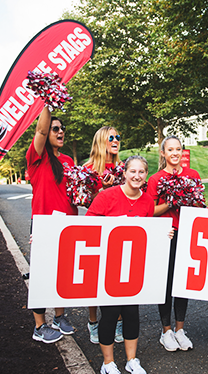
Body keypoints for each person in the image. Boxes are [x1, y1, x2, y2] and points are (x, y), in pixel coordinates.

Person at [86, 155, 160, 374]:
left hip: (132, 268)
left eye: (141, 172)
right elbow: (86, 226)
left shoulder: (147, 201)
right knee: (109, 314)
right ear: (125, 173)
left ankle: (131, 360)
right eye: (133, 171)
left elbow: (147, 234)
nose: (137, 176)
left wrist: (163, 234)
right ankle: (108, 363)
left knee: (131, 313)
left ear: (146, 175)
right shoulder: (106, 196)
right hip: (108, 266)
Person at [27, 105, 78, 343]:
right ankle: (39, 326)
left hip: (66, 227)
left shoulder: (67, 160)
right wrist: (48, 101)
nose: (60, 132)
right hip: (44, 225)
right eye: (54, 128)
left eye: (62, 128)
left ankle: (59, 317)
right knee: (41, 276)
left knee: (62, 276)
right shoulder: (37, 157)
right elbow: (39, 128)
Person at [146, 135, 197, 352]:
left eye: (178, 149)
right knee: (166, 285)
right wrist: (171, 201)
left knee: (182, 284)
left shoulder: (192, 175)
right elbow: (150, 211)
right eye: (170, 150)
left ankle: (180, 330)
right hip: (166, 234)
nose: (175, 153)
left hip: (186, 234)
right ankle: (165, 330)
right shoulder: (156, 179)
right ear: (163, 153)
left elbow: (198, 205)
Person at [84, 126, 124, 345]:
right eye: (112, 137)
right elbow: (81, 200)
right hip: (96, 230)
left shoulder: (123, 168)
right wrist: (100, 192)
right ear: (101, 140)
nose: (116, 140)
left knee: (115, 278)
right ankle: (93, 322)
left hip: (118, 232)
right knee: (94, 280)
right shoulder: (89, 169)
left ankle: (117, 321)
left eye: (118, 137)